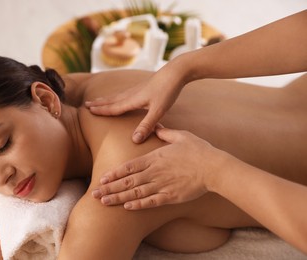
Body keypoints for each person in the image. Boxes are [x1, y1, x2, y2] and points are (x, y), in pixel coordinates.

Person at [0, 55, 307, 259]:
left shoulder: (120, 185)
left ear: (47, 100)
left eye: (1, 146)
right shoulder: (105, 88)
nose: (1, 179)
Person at [83, 10, 307, 254]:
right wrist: (183, 67)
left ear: (46, 98)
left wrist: (214, 171)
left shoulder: (114, 181)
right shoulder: (97, 87)